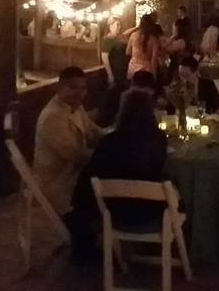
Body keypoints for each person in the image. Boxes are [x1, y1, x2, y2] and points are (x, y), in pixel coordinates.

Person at [68, 90, 168, 263]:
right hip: (152, 211)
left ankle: (84, 249)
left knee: (85, 197)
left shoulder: (110, 142)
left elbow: (89, 178)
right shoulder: (158, 139)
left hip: (116, 211)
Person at [33, 67, 102, 244]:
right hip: (61, 181)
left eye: (83, 88)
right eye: (73, 87)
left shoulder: (75, 108)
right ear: (59, 87)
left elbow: (94, 132)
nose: (79, 93)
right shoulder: (53, 117)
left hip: (75, 173)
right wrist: (108, 153)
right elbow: (74, 155)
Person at [127, 13, 160, 79]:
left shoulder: (133, 36)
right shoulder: (154, 40)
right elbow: (154, 61)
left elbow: (128, 52)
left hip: (133, 70)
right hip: (146, 71)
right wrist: (155, 77)